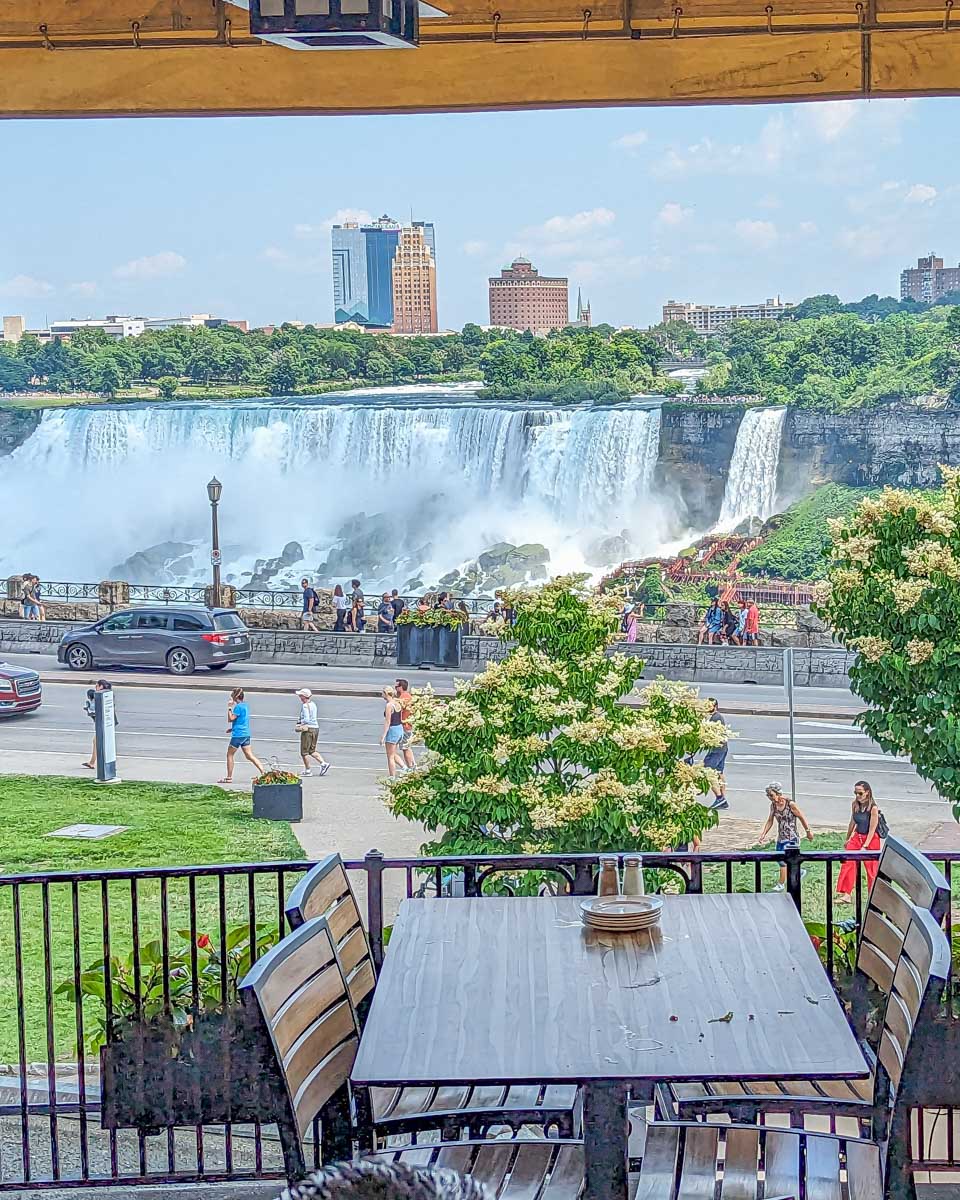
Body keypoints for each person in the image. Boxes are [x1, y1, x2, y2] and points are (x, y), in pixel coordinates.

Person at [758, 781, 813, 892]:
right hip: (781, 837)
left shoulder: (790, 804)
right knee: (779, 858)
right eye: (768, 796)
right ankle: (799, 871)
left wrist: (808, 832)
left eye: (772, 795)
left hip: (791, 837)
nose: (770, 798)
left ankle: (781, 884)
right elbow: (770, 820)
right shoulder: (773, 806)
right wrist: (763, 833)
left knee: (783, 861)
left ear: (778, 793)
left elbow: (801, 817)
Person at [836, 780, 883, 902]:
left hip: (871, 839)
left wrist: (866, 846)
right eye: (855, 793)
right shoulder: (855, 805)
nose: (857, 796)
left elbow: (873, 829)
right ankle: (847, 894)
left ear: (867, 792)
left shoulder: (873, 808)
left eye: (860, 793)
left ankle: (873, 896)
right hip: (858, 836)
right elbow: (852, 822)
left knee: (872, 870)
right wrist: (847, 838)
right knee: (848, 862)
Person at [220, 687, 264, 783]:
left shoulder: (238, 707)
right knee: (249, 755)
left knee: (230, 754)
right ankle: (263, 772)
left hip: (238, 735)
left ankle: (229, 777)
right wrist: (232, 728)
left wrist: (229, 707)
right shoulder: (245, 706)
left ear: (235, 697)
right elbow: (242, 720)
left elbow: (231, 719)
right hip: (245, 734)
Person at [295, 687, 330, 777]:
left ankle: (308, 770)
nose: (299, 697)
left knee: (304, 752)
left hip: (308, 729)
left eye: (300, 695)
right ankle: (323, 763)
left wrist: (300, 725)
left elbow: (306, 719)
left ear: (304, 696)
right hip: (315, 728)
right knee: (312, 750)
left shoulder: (305, 706)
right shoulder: (313, 704)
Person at [82, 679, 117, 769]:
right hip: (107, 723)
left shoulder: (102, 696)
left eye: (97, 686)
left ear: (101, 686)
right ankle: (93, 762)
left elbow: (98, 711)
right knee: (98, 741)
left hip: (104, 723)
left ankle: (95, 763)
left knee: (99, 742)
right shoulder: (108, 694)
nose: (95, 688)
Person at [703, 698, 729, 809]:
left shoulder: (716, 718)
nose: (707, 707)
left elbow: (707, 734)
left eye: (710, 705)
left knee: (708, 773)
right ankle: (723, 798)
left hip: (716, 750)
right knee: (719, 773)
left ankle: (720, 798)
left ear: (715, 706)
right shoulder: (716, 717)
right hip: (722, 748)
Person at [380, 686, 405, 777]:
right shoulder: (397, 703)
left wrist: (383, 736)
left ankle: (392, 776)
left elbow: (388, 721)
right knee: (393, 753)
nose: (381, 694)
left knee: (390, 756)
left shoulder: (389, 705)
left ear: (386, 694)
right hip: (399, 729)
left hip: (393, 730)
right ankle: (404, 768)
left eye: (382, 693)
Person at [395, 677, 416, 770]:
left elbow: (398, 710)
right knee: (407, 747)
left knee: (405, 748)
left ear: (401, 687)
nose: (395, 688)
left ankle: (410, 767)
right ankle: (412, 766)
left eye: (396, 686)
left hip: (404, 726)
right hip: (408, 725)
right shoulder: (408, 696)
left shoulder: (403, 698)